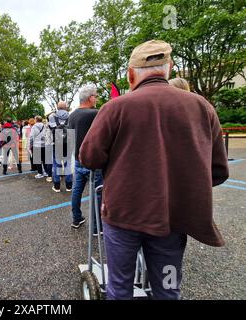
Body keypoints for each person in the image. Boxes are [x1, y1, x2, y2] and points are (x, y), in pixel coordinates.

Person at [79, 40, 229, 300]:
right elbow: (217, 170)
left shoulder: (114, 108)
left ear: (130, 74)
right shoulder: (202, 107)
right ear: (169, 69)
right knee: (168, 288)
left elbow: (89, 157)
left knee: (120, 287)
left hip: (123, 216)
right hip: (173, 217)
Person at [68, 85, 103, 229]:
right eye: (96, 96)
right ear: (91, 98)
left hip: (78, 158)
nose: (97, 98)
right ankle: (97, 226)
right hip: (93, 160)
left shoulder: (72, 115)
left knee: (77, 190)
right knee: (97, 193)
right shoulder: (95, 113)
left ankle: (76, 218)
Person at [48, 101, 73, 192]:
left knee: (56, 165)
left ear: (57, 107)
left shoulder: (52, 116)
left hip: (56, 144)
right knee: (68, 165)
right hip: (68, 144)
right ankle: (69, 186)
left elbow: (51, 129)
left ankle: (57, 186)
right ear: (66, 107)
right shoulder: (71, 116)